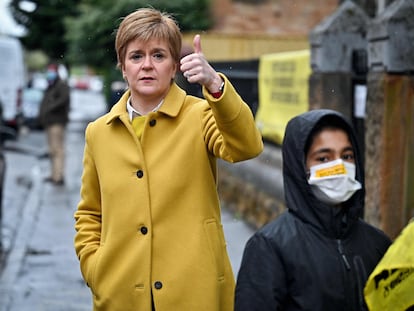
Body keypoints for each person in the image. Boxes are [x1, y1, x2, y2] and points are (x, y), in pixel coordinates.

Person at [73, 8, 263, 311]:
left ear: (174, 65)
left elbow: (247, 147)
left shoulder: (201, 115)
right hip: (121, 293)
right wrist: (95, 269)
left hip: (193, 293)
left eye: (158, 56)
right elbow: (89, 214)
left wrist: (215, 85)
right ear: (123, 66)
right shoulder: (98, 133)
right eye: (136, 56)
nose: (147, 65)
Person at [235, 109, 391, 311]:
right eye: (323, 159)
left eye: (347, 155)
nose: (339, 167)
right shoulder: (270, 248)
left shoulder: (378, 244)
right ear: (300, 166)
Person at [38, 62, 70, 186]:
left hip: (57, 121)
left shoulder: (61, 85)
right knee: (52, 150)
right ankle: (54, 174)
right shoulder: (51, 85)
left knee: (57, 150)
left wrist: (49, 108)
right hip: (49, 121)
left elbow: (62, 100)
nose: (49, 74)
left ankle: (59, 176)